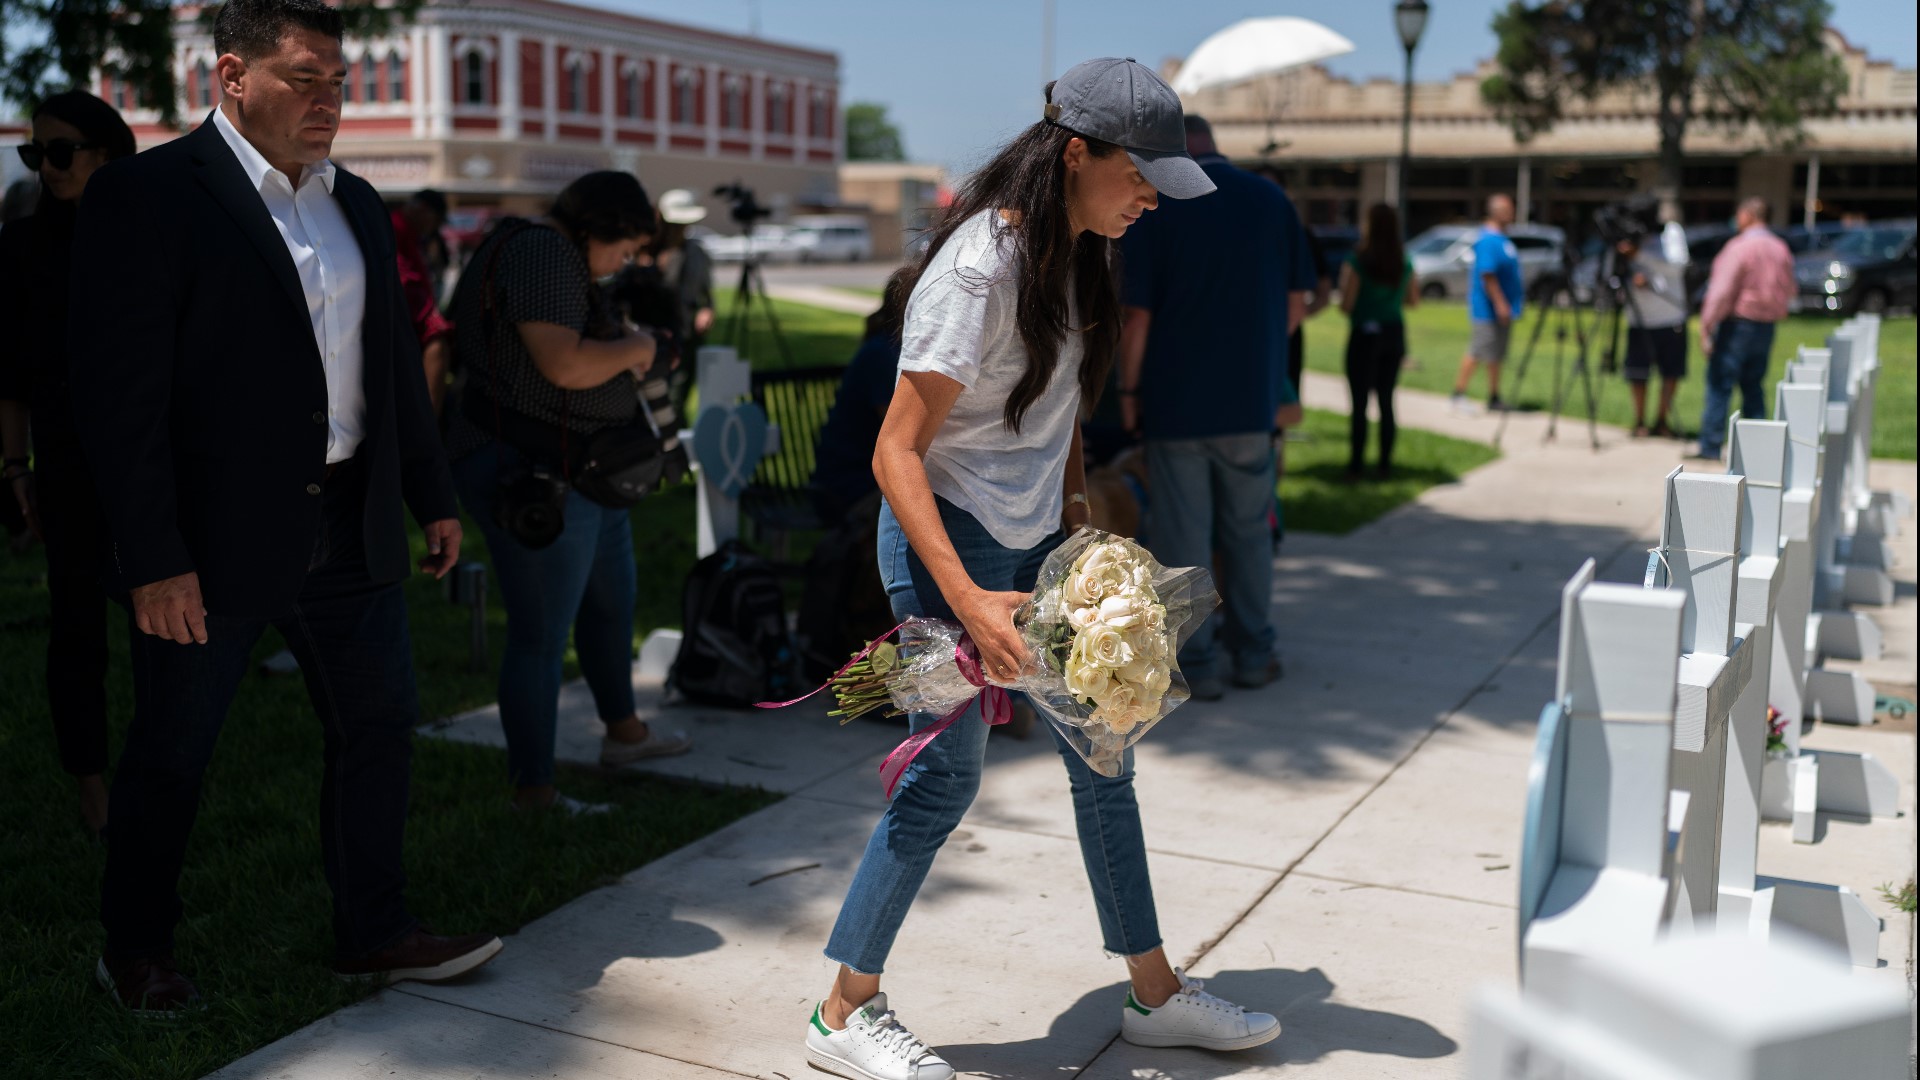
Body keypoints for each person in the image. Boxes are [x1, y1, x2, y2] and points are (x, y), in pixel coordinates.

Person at [805, 61, 1280, 1080]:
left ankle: (1154, 995)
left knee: (1106, 759)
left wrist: (1074, 533)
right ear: (1078, 154)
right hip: (943, 551)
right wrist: (969, 601)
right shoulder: (981, 270)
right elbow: (896, 453)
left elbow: (1056, 409)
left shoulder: (1082, 250)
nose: (1151, 197)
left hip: (1027, 544)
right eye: (1140, 176)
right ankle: (843, 1013)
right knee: (941, 779)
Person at [69, 0, 502, 1013]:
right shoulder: (148, 197)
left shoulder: (354, 201)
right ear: (229, 78)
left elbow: (390, 361)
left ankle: (375, 930)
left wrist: (430, 494)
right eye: (306, 78)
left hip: (351, 522)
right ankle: (133, 948)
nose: (332, 98)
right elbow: (115, 403)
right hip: (208, 542)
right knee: (174, 749)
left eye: (340, 79)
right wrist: (153, 558)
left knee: (380, 728)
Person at [444, 171, 693, 815]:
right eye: (626, 249)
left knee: (611, 604)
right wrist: (639, 347)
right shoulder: (543, 252)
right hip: (535, 476)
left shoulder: (544, 252)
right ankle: (536, 791)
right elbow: (564, 364)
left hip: (576, 471)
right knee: (541, 635)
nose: (626, 264)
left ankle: (624, 735)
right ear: (597, 229)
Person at [1116, 113, 1313, 701]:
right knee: (1250, 533)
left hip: (1176, 400)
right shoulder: (1268, 199)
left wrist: (1128, 393)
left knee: (1184, 537)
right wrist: (1265, 352)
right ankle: (1254, 653)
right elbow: (1299, 301)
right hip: (1251, 400)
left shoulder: (1161, 203)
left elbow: (1138, 316)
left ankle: (1196, 665)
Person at [0, 91, 137, 838]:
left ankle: (157, 769)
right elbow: (8, 379)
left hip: (148, 456)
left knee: (168, 624)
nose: (46, 167)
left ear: (107, 152)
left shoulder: (151, 235)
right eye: (35, 153)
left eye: (60, 151)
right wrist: (13, 471)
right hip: (62, 456)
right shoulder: (20, 248)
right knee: (76, 626)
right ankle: (91, 783)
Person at [1691, 196, 1794, 461]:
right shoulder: (1780, 248)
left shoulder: (1738, 247)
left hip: (1737, 325)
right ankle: (1756, 451)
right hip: (1766, 326)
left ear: (1748, 215)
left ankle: (1710, 446)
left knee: (1719, 384)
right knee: (1753, 386)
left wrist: (1707, 324)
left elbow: (1721, 291)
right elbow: (1789, 288)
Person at [808, 266, 909, 527]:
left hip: (866, 475)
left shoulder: (890, 347)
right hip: (849, 482)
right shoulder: (882, 355)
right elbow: (902, 435)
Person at [1339, 202, 1419, 479]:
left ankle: (1356, 466)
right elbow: (1413, 300)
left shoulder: (1358, 259)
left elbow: (1346, 304)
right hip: (1393, 333)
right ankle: (1385, 465)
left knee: (1359, 404)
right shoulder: (1404, 259)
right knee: (1386, 401)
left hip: (1364, 335)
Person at [1450, 194, 1523, 414]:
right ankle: (1458, 394)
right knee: (1478, 351)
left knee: (1495, 355)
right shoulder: (1488, 240)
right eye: (1509, 210)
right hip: (1488, 309)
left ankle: (1494, 396)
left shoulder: (1503, 238)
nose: (1512, 214)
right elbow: (1487, 275)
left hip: (1503, 309)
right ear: (1497, 211)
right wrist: (1500, 303)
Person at [1614, 231, 1690, 438]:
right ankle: (1640, 422)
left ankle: (1662, 421)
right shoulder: (1625, 236)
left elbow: (1678, 266)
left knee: (1670, 373)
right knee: (1638, 374)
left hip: (1670, 318)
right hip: (1638, 319)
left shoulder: (1671, 233)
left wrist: (1638, 254)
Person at [392, 189, 454, 412]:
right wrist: (431, 319)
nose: (433, 227)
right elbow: (403, 281)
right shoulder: (394, 230)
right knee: (436, 342)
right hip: (401, 330)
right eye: (435, 221)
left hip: (407, 326)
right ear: (424, 211)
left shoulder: (409, 233)